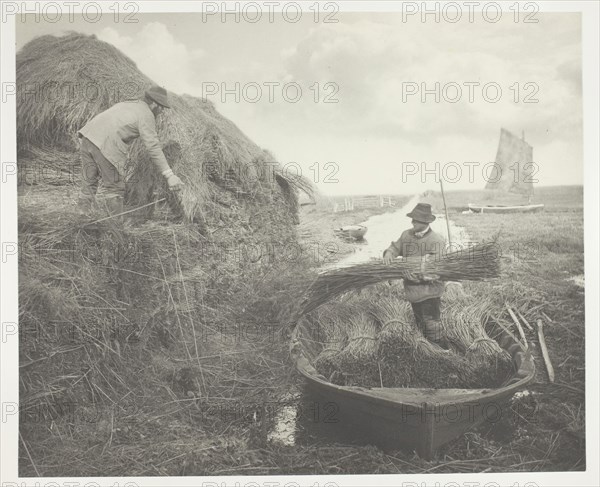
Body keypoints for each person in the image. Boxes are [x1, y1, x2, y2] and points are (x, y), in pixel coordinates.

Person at [77, 85, 184, 217]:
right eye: (161, 106)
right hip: (106, 143)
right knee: (114, 188)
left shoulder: (128, 103)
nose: (162, 110)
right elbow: (153, 146)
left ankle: (81, 219)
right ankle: (115, 229)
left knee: (89, 183)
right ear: (154, 104)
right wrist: (169, 175)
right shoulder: (146, 114)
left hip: (88, 136)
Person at [382, 203, 447, 346]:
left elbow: (437, 271)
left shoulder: (436, 240)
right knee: (420, 323)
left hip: (430, 292)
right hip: (412, 292)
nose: (412, 222)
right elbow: (395, 247)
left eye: (416, 220)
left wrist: (418, 277)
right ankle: (427, 350)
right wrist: (389, 253)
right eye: (412, 219)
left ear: (426, 222)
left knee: (432, 326)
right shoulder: (406, 234)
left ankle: (444, 351)